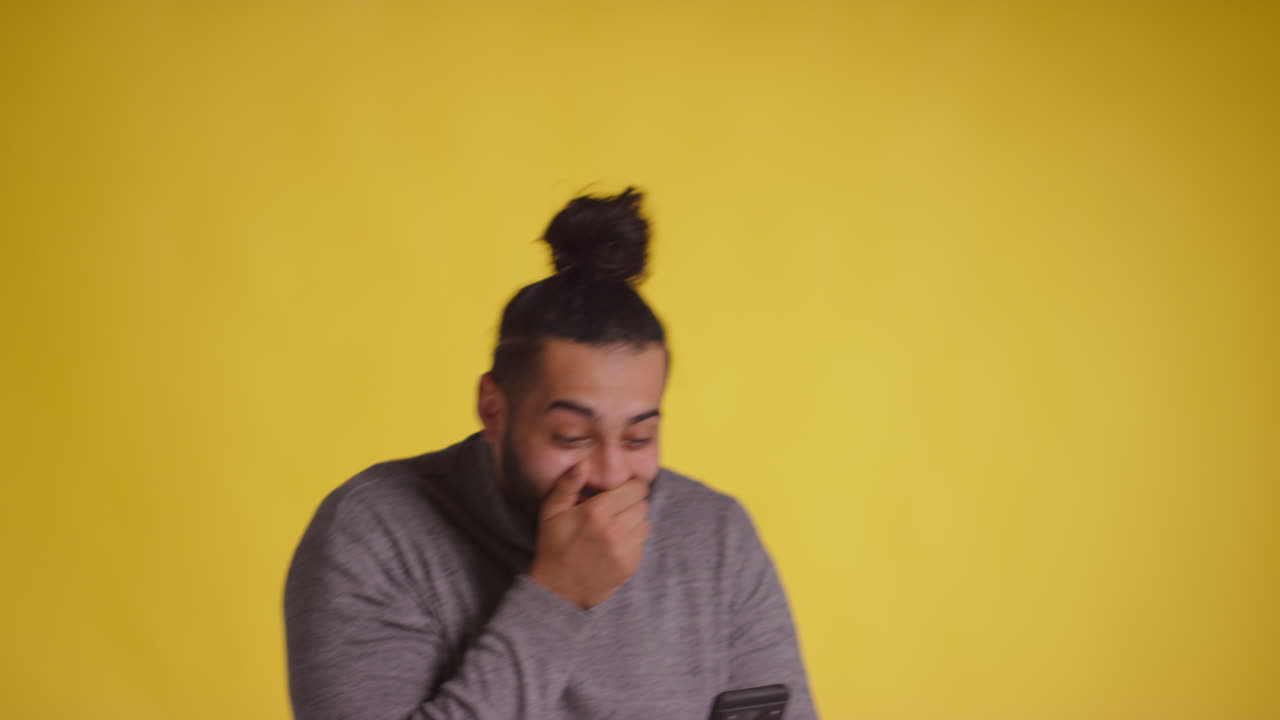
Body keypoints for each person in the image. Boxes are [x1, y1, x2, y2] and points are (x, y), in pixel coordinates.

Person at [283, 187, 817, 719]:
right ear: (493, 409)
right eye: (572, 437)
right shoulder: (373, 536)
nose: (611, 474)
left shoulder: (717, 537)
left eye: (638, 438)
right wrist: (557, 597)